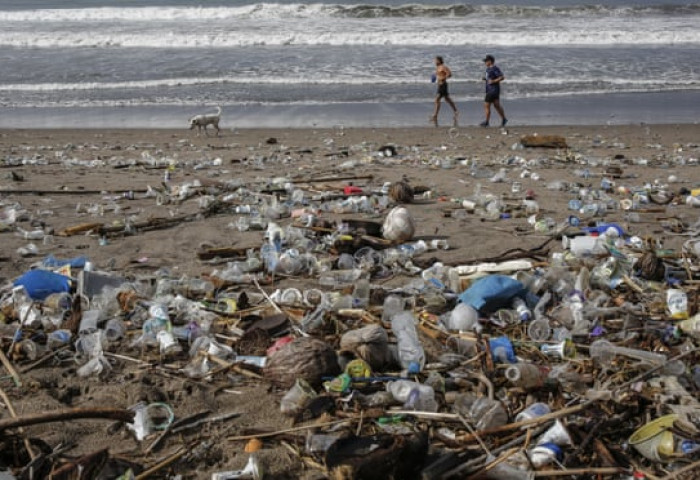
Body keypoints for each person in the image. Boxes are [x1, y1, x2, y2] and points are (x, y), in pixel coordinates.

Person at [430, 56, 458, 127]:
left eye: (436, 60)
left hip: (443, 85)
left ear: (439, 61)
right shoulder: (438, 68)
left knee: (437, 99)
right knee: (447, 99)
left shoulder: (443, 67)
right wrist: (434, 78)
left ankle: (435, 115)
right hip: (440, 85)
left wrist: (443, 78)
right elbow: (438, 75)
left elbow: (450, 74)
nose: (435, 62)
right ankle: (456, 111)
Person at [481, 54, 507, 127]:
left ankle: (486, 122)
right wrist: (485, 79)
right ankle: (504, 119)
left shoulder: (494, 68)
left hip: (492, 90)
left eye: (486, 61)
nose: (485, 63)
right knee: (496, 105)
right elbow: (489, 78)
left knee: (486, 105)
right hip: (493, 90)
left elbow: (502, 77)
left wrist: (493, 81)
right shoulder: (488, 69)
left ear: (490, 61)